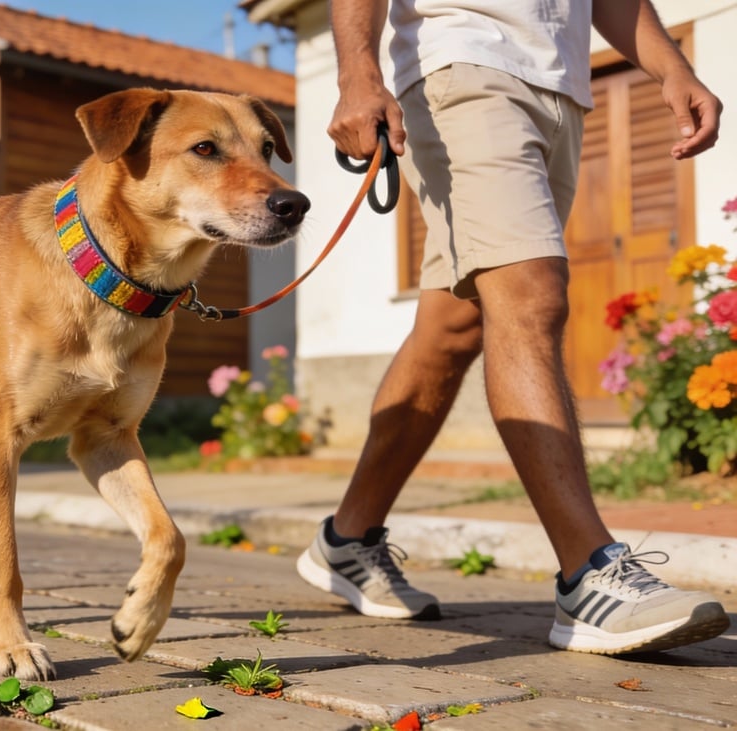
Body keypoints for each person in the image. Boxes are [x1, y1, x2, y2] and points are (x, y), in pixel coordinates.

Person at [298, 0, 731, 655]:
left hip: (559, 88)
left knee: (456, 325)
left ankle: (347, 540)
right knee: (530, 298)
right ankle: (586, 572)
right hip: (464, 66)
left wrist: (671, 67)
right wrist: (358, 74)